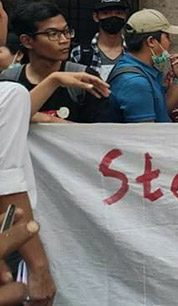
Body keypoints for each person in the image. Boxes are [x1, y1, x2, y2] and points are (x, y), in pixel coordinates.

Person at [0, 71, 108, 306]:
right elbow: (7, 187)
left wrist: (53, 81)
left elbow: (10, 116)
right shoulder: (10, 93)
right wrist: (38, 267)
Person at [0, 0, 104, 123]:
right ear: (27, 41)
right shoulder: (9, 80)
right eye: (53, 34)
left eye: (66, 31)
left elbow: (99, 134)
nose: (64, 40)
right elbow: (7, 119)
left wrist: (48, 120)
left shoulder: (84, 79)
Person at [104, 9, 178, 123]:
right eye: (167, 36)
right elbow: (146, 135)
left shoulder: (144, 70)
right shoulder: (135, 82)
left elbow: (162, 110)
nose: (170, 42)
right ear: (151, 41)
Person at [69, 0, 129, 80]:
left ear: (125, 16)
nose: (113, 17)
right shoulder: (79, 54)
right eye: (106, 13)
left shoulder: (134, 51)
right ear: (96, 17)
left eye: (118, 13)